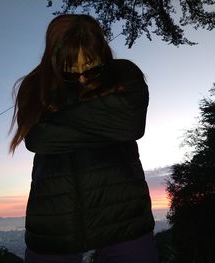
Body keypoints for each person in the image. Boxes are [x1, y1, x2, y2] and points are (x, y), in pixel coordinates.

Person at [9, 14, 158, 263]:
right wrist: (104, 122)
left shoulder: (124, 73)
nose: (80, 78)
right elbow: (39, 139)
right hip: (53, 227)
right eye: (70, 73)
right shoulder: (35, 85)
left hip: (125, 220)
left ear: (103, 52)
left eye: (91, 69)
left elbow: (130, 126)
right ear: (54, 60)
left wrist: (56, 116)